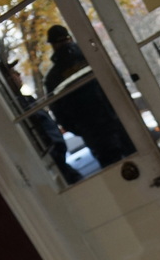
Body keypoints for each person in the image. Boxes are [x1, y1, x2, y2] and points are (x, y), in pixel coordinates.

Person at [44, 25, 135, 170]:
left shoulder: (53, 78)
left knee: (118, 173)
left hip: (96, 135)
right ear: (70, 38)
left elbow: (60, 115)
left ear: (53, 45)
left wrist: (84, 130)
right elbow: (118, 82)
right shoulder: (92, 58)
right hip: (119, 122)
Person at [2, 61, 82, 185]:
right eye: (13, 73)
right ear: (7, 79)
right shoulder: (18, 106)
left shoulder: (25, 100)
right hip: (52, 160)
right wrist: (55, 151)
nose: (18, 75)